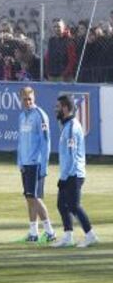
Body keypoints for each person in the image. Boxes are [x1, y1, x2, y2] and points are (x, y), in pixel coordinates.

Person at [52, 95, 98, 248]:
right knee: (61, 204)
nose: (56, 109)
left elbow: (71, 155)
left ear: (65, 108)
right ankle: (68, 236)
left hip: (74, 174)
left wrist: (64, 178)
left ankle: (90, 235)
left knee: (74, 205)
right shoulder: (66, 125)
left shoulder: (72, 127)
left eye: (58, 106)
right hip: (68, 173)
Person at [17, 86, 55, 243]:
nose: (27, 102)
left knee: (35, 197)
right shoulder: (21, 116)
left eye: (30, 99)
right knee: (29, 197)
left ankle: (50, 231)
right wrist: (19, 160)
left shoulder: (40, 115)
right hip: (25, 162)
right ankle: (33, 232)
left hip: (36, 163)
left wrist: (44, 165)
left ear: (34, 98)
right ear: (21, 99)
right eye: (25, 99)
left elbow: (46, 142)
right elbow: (21, 141)